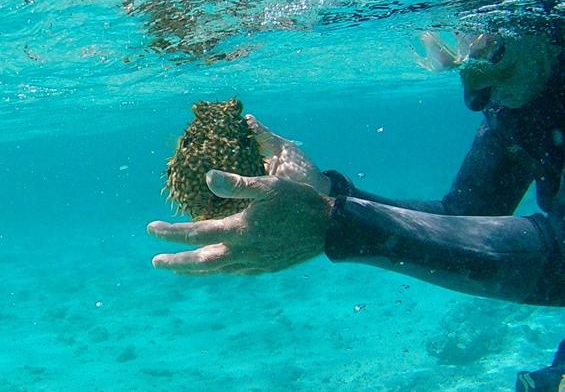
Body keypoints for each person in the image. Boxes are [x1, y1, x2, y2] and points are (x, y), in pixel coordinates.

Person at [147, 28, 564, 389]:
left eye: (493, 51)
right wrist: (329, 193)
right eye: (456, 57)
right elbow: (468, 216)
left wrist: (335, 223)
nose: (475, 95)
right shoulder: (519, 103)